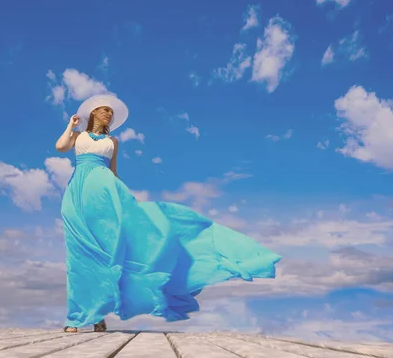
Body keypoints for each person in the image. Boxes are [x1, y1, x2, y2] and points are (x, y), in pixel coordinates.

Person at [55, 94, 281, 333]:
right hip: (77, 196)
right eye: (104, 110)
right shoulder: (78, 137)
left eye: (111, 111)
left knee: (109, 254)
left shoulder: (113, 141)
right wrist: (71, 125)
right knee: (79, 257)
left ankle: (97, 314)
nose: (108, 113)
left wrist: (131, 202)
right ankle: (79, 316)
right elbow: (60, 147)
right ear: (93, 114)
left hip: (106, 198)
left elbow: (113, 172)